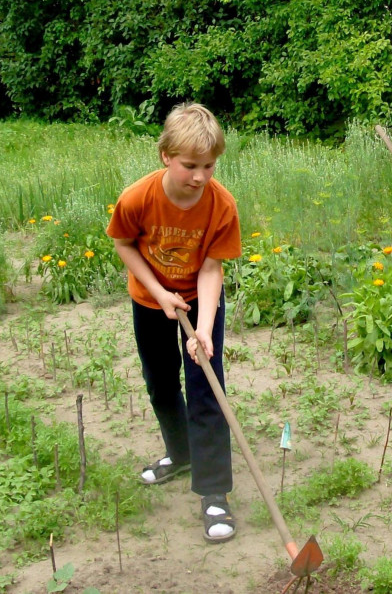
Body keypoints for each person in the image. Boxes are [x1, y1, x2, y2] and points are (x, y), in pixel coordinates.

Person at [107, 102, 242, 543]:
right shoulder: (137, 198)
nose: (201, 176)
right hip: (150, 301)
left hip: (200, 303)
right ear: (166, 155)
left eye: (209, 165)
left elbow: (210, 268)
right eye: (190, 166)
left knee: (207, 389)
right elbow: (125, 244)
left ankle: (214, 491)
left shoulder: (221, 205)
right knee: (162, 383)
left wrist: (203, 329)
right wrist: (159, 292)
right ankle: (179, 453)